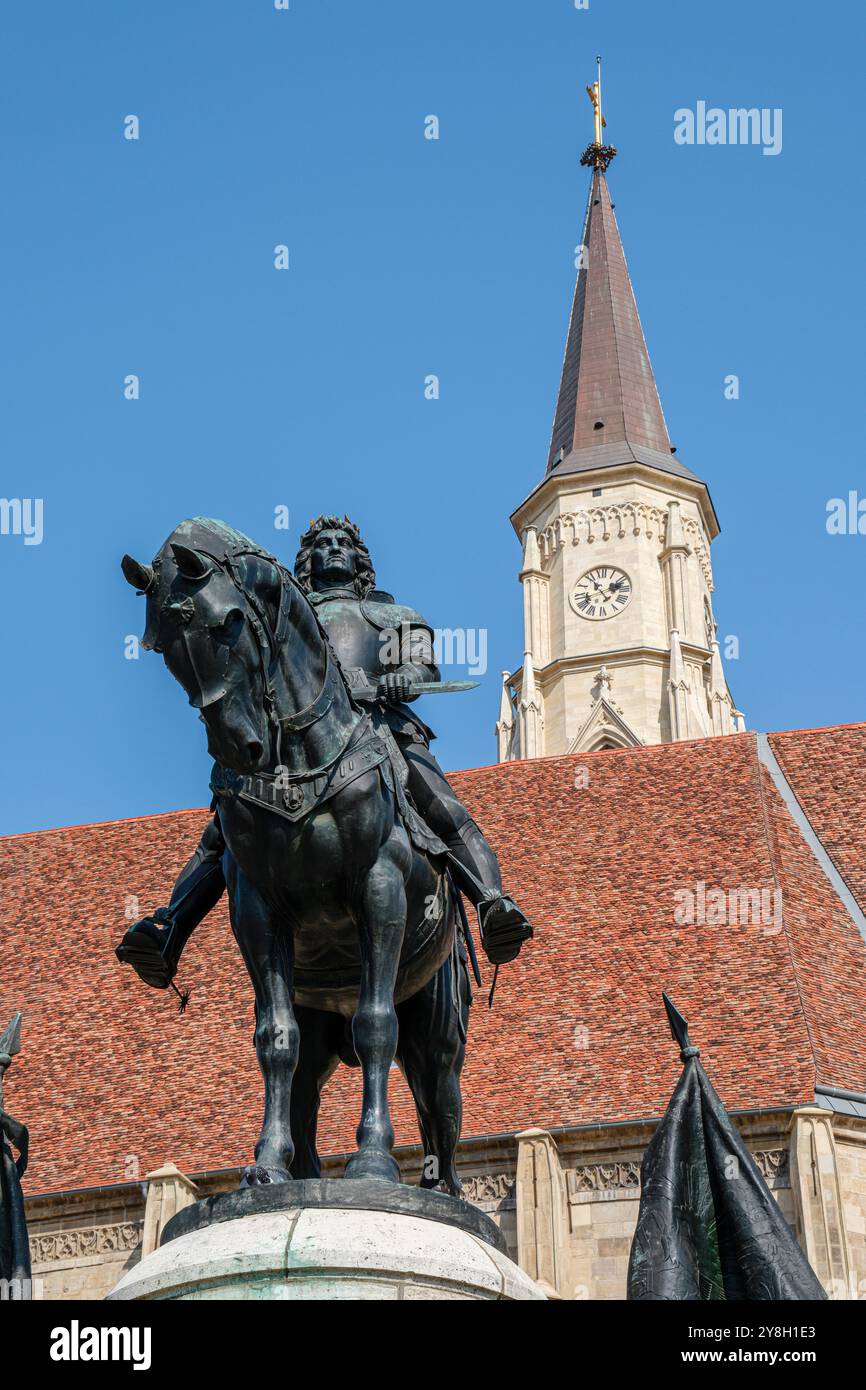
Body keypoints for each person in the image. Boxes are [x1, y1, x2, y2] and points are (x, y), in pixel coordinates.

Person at [118, 515, 532, 990]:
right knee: (224, 828)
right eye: (321, 544)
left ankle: (491, 902)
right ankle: (170, 928)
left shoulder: (394, 618)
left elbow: (424, 668)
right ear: (307, 561)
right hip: (294, 746)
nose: (333, 549)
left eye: (343, 544)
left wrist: (399, 681)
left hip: (383, 730)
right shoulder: (288, 618)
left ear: (360, 560)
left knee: (440, 803)